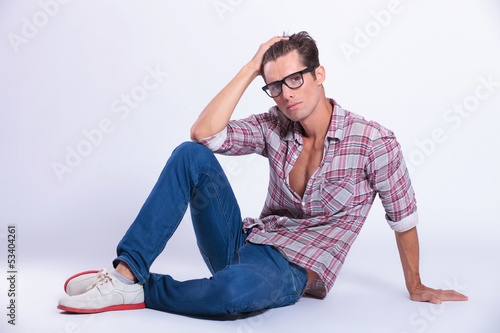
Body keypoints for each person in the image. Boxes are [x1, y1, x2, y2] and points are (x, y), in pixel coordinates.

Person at [57, 31, 468, 316]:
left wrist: (415, 285)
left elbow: (403, 218)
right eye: (275, 85)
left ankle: (142, 292)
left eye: (295, 78)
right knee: (189, 155)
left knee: (232, 295)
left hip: (289, 270)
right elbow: (204, 134)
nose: (287, 93)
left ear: (318, 74)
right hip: (241, 241)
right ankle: (123, 275)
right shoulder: (275, 123)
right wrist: (253, 66)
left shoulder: (374, 142)